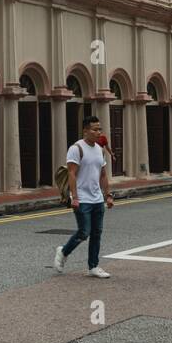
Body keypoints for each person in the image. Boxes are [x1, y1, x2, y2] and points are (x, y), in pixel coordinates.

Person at [54, 115, 113, 279]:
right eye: (95, 129)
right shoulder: (76, 148)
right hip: (82, 198)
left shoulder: (99, 150)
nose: (98, 132)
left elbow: (103, 175)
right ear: (85, 130)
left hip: (97, 198)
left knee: (97, 233)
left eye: (100, 129)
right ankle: (63, 252)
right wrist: (74, 197)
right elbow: (71, 173)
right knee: (84, 232)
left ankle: (93, 266)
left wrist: (108, 195)